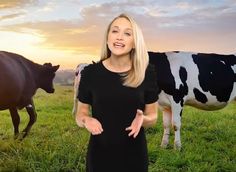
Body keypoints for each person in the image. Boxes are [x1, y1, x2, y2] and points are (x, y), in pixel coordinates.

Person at [75, 13, 159, 172]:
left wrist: (143, 120)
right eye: (115, 31)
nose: (119, 37)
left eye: (127, 33)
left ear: (135, 42)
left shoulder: (147, 73)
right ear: (107, 38)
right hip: (99, 157)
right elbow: (80, 114)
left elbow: (153, 116)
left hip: (135, 158)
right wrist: (87, 120)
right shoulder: (90, 73)